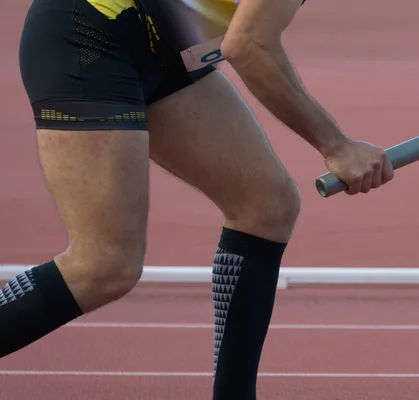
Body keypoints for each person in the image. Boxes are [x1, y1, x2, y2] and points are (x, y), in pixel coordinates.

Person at [3, 0, 394, 398]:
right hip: (89, 35)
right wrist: (336, 145)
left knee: (266, 205)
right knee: (102, 267)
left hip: (166, 46)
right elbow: (248, 45)